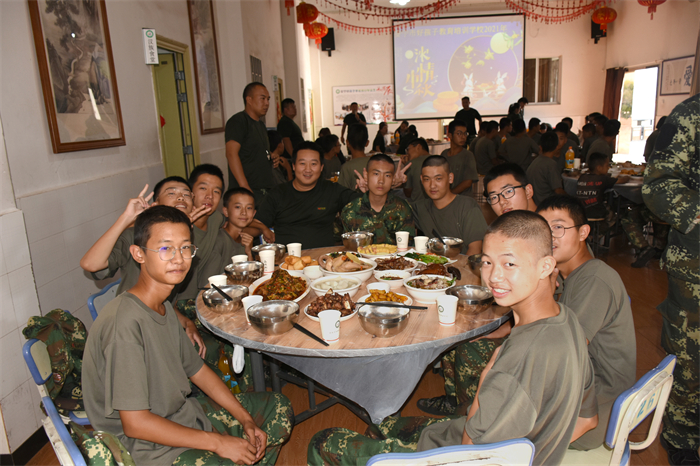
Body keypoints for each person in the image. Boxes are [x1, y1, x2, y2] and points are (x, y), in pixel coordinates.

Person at [308, 210, 597, 466]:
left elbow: (472, 456)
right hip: (473, 440)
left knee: (323, 441)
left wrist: (485, 381)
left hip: (462, 457)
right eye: (487, 262)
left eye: (509, 264)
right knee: (382, 427)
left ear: (545, 266)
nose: (494, 276)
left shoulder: (517, 362)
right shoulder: (568, 321)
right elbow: (588, 419)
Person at [82, 206, 293, 466]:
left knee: (277, 410)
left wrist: (246, 419)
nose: (178, 259)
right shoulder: (124, 324)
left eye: (185, 248)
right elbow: (135, 424)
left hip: (180, 415)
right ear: (138, 254)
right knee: (230, 456)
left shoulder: (162, 305)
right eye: (165, 248)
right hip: (143, 448)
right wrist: (218, 443)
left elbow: (198, 371)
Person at [417, 163, 534, 416]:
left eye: (508, 192)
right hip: (514, 317)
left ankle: (470, 414)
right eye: (494, 197)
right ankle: (454, 399)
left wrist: (506, 330)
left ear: (528, 190)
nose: (502, 202)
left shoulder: (542, 234)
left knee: (466, 343)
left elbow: (547, 306)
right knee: (454, 329)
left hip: (534, 335)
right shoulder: (512, 230)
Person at [537, 195, 636, 450]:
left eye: (558, 227)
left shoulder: (594, 279)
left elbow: (564, 353)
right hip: (584, 395)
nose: (549, 236)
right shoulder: (569, 277)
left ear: (583, 232)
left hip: (593, 411)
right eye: (543, 229)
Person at [642, 93, 699, 466]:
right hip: (696, 270)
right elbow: (658, 184)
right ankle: (682, 437)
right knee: (692, 359)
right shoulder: (692, 115)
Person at [254, 141, 362, 248]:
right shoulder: (278, 193)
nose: (308, 169)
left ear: (321, 167)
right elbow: (255, 225)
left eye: (313, 164)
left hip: (323, 257)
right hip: (287, 258)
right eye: (302, 163)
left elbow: (365, 203)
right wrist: (262, 228)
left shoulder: (332, 190)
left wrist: (366, 189)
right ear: (293, 166)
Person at [411, 155, 487, 256]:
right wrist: (394, 182)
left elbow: (475, 250)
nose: (432, 185)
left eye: (438, 179)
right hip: (435, 264)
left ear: (450, 178)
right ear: (421, 179)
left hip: (462, 264)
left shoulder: (467, 206)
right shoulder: (420, 208)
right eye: (427, 179)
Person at [340, 153, 416, 244]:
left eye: (387, 175)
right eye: (376, 174)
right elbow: (346, 247)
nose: (381, 181)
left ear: (393, 179)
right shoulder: (350, 210)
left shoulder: (402, 209)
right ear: (366, 175)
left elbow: (409, 246)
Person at [225, 82, 274, 206]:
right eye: (262, 98)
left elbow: (255, 151)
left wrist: (271, 156)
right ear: (249, 100)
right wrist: (244, 187)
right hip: (247, 190)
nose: (267, 103)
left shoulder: (260, 125)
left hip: (264, 189)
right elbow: (231, 153)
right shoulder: (238, 121)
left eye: (268, 99)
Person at [576, 152, 629, 222]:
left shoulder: (582, 177)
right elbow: (622, 180)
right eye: (607, 166)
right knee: (613, 208)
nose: (608, 168)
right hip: (597, 213)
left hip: (581, 212)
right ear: (599, 168)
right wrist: (628, 177)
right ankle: (609, 226)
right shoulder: (603, 179)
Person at [526, 132, 567, 205]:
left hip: (534, 201)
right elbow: (558, 191)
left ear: (540, 147)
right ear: (556, 146)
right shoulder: (551, 164)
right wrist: (571, 198)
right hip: (545, 203)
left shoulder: (536, 161)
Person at [441, 120, 478, 197]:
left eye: (465, 133)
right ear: (450, 135)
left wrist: (449, 194)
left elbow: (467, 182)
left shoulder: (468, 155)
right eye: (459, 133)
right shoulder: (444, 154)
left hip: (463, 199)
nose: (463, 137)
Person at [222, 188, 257, 260]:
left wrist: (249, 253)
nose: (244, 212)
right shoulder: (219, 240)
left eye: (249, 208)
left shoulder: (245, 240)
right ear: (226, 211)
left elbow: (250, 267)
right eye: (238, 207)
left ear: (253, 213)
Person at [338, 124, 370, 190]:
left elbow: (341, 193)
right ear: (367, 143)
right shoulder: (375, 163)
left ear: (347, 143)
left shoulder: (346, 168)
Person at [403, 138, 432, 204]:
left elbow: (408, 193)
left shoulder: (411, 164)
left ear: (418, 147)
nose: (407, 153)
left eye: (408, 149)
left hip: (418, 206)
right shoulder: (440, 160)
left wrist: (406, 167)